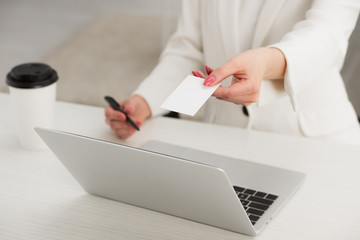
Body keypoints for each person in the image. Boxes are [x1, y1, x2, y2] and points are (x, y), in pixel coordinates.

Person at [105, 0, 360, 145]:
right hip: (222, 140)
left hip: (313, 143)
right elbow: (190, 50)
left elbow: (328, 34)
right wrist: (146, 101)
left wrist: (268, 61)